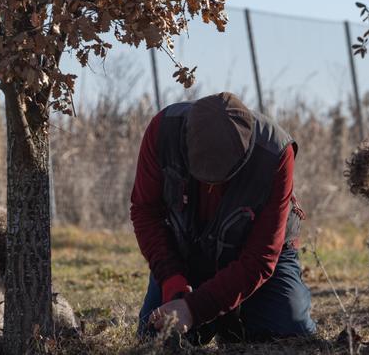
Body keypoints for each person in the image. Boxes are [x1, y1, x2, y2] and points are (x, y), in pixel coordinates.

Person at [130, 92, 316, 344]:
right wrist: (173, 283)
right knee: (155, 338)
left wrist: (195, 308)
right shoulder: (163, 132)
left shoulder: (275, 153)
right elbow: (145, 212)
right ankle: (221, 314)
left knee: (289, 335)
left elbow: (261, 257)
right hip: (186, 248)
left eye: (221, 178)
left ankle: (238, 316)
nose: (210, 184)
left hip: (259, 254)